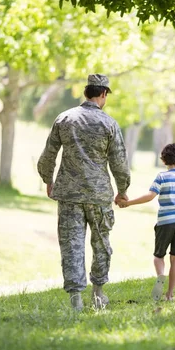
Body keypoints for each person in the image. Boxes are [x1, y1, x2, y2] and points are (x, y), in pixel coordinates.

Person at [37, 74, 130, 311]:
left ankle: (75, 300)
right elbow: (119, 162)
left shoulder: (64, 118)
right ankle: (98, 294)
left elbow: (48, 155)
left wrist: (48, 179)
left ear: (86, 92)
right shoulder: (109, 124)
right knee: (101, 244)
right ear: (103, 94)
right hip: (98, 197)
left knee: (71, 246)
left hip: (69, 195)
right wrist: (122, 191)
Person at [118, 143, 175, 302]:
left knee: (158, 256)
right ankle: (170, 294)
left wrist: (129, 202)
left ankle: (161, 275)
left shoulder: (162, 177)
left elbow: (150, 196)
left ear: (163, 160)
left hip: (165, 222)